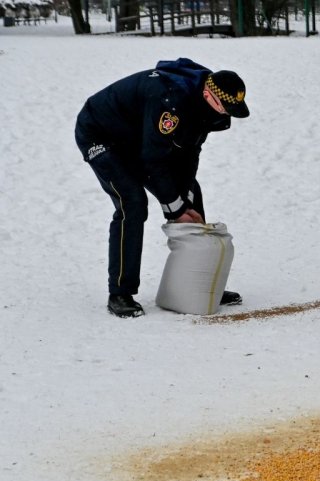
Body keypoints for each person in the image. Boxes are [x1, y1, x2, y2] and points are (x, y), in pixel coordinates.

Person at [75, 58, 249, 318]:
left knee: (191, 193)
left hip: (139, 136)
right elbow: (154, 160)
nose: (226, 115)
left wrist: (184, 202)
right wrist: (175, 210)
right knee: (132, 201)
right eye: (226, 109)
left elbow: (190, 153)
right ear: (209, 97)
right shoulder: (171, 101)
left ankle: (197, 282)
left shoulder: (205, 105)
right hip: (100, 133)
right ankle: (120, 292)